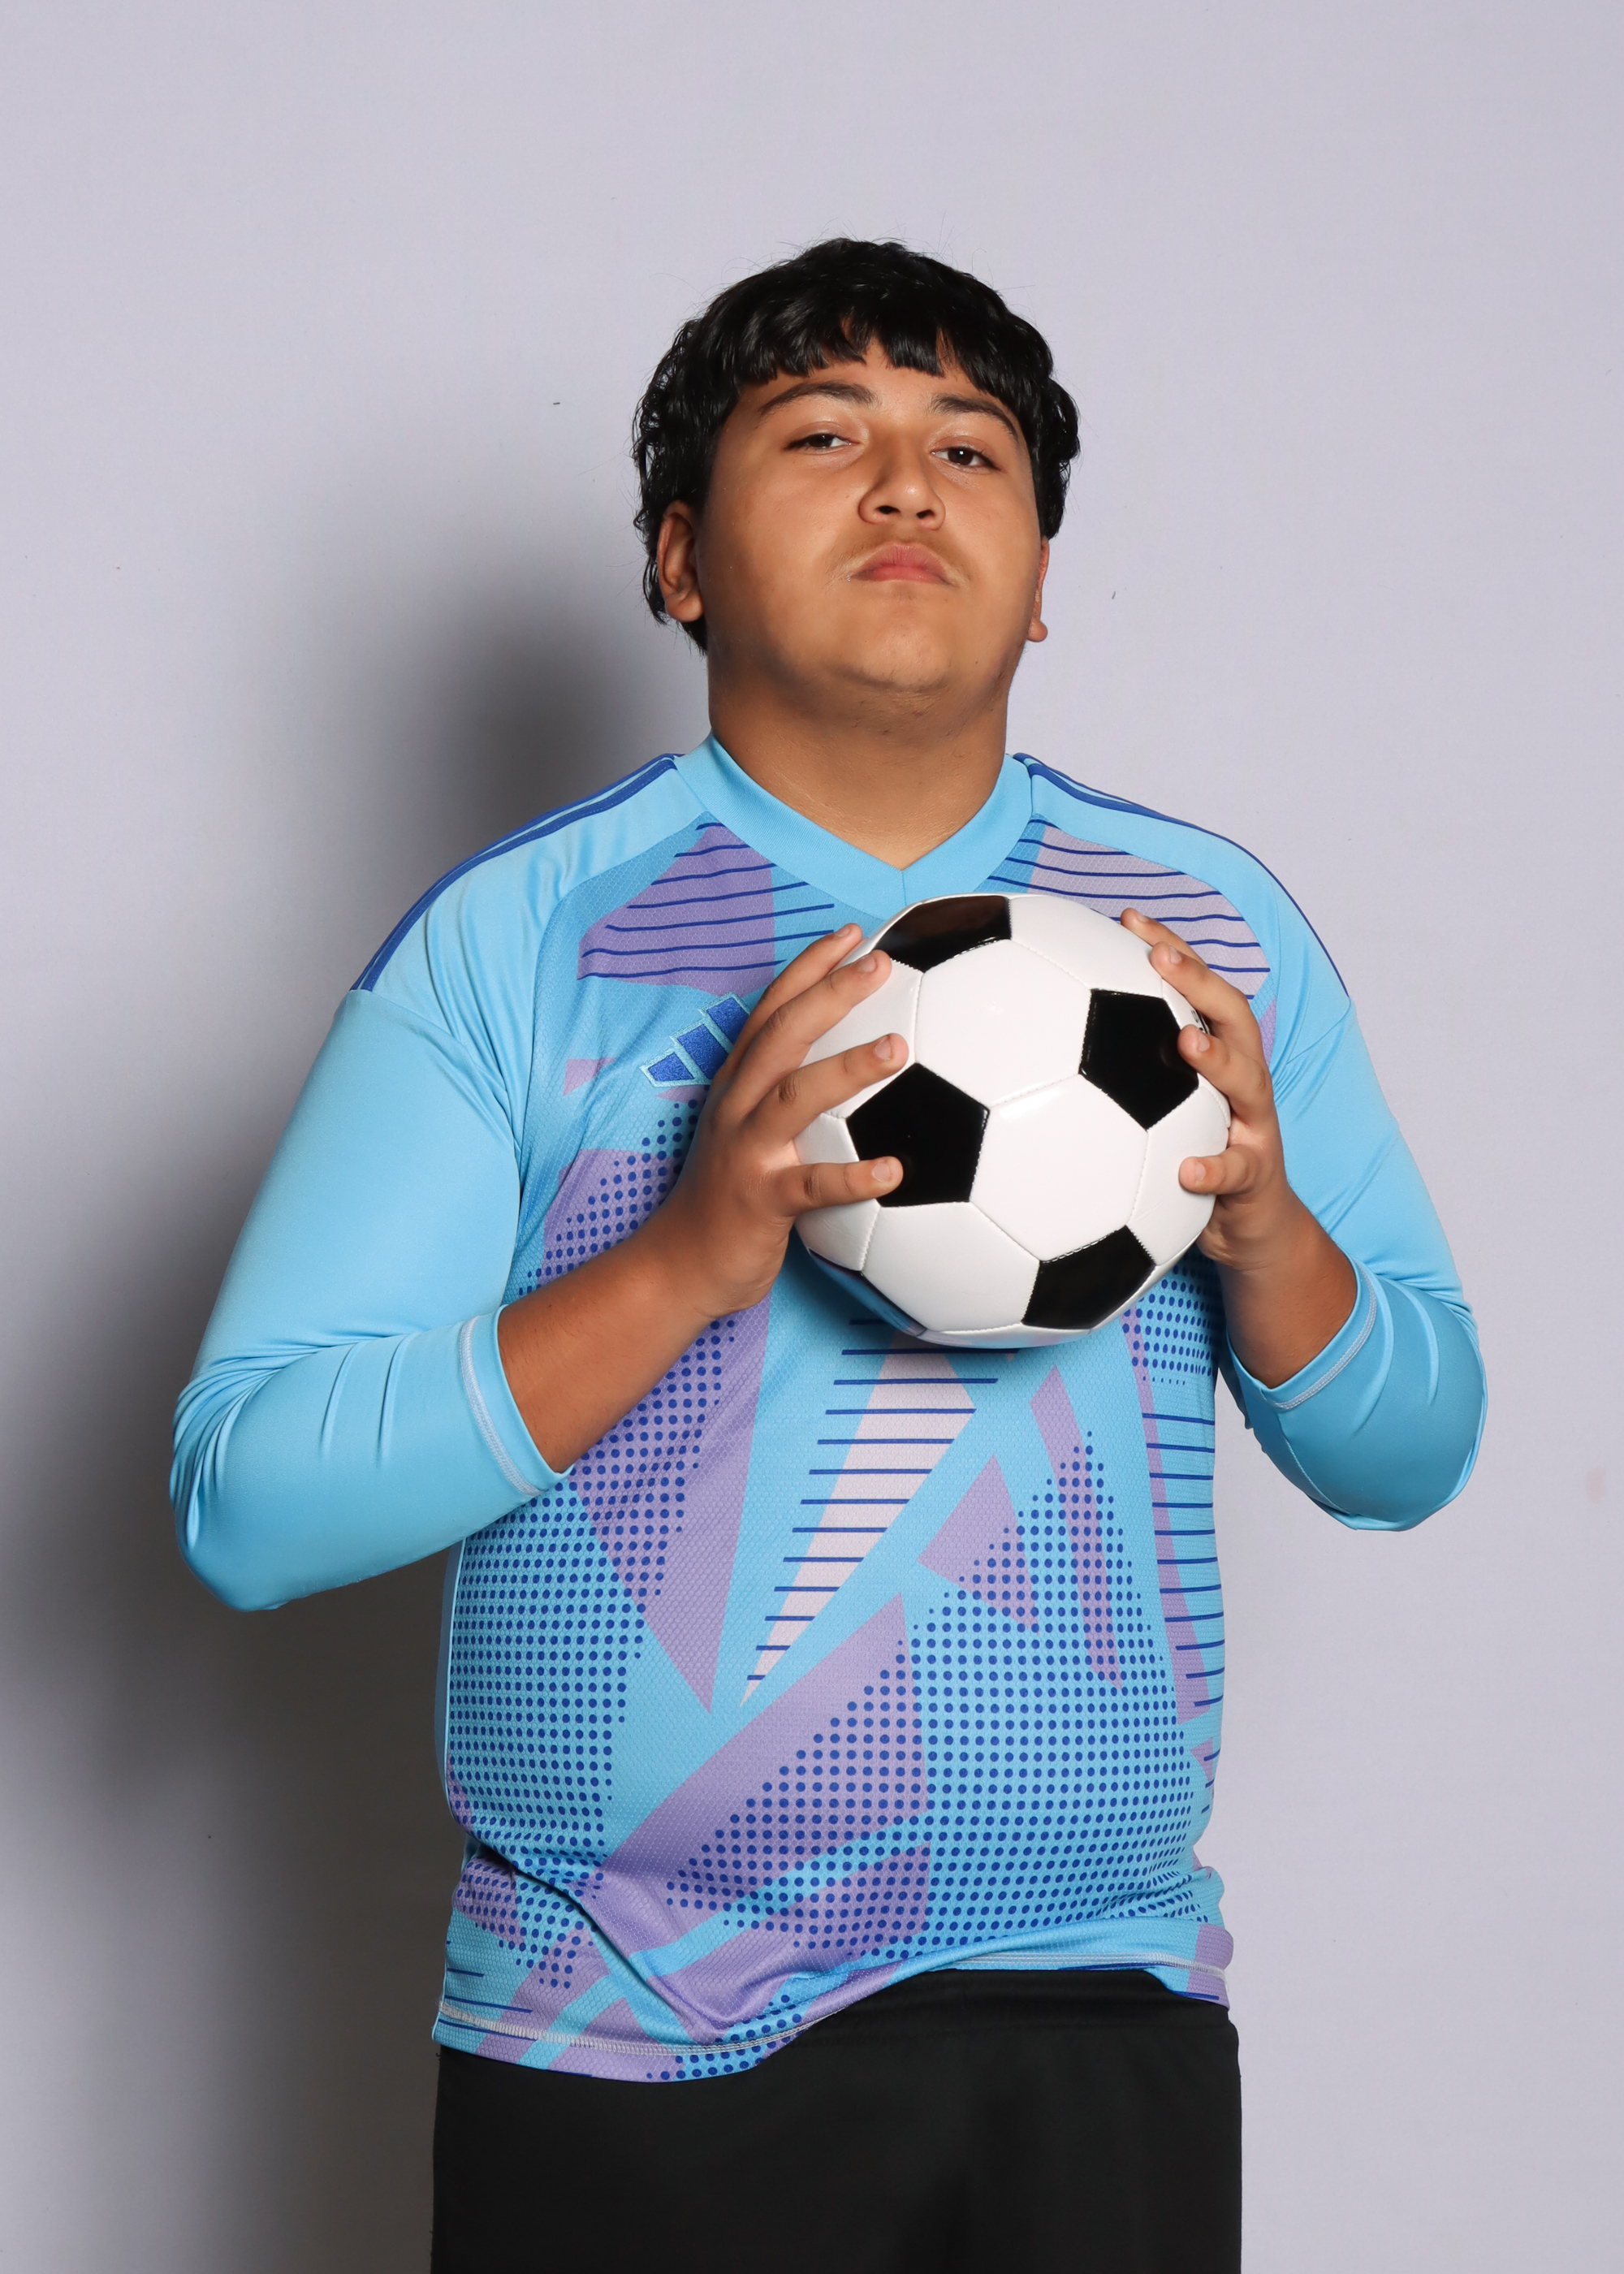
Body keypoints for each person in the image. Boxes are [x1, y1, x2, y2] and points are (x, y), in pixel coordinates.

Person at [172, 239, 1486, 2272]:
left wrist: (1263, 1225)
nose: (903, 486)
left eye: (969, 449)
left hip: (1102, 2011)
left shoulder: (1200, 932)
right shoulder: (520, 938)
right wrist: (687, 1257)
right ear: (679, 561)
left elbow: (1412, 1450)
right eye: (819, 435)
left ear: (1040, 581)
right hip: (624, 2031)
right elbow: (248, 1502)